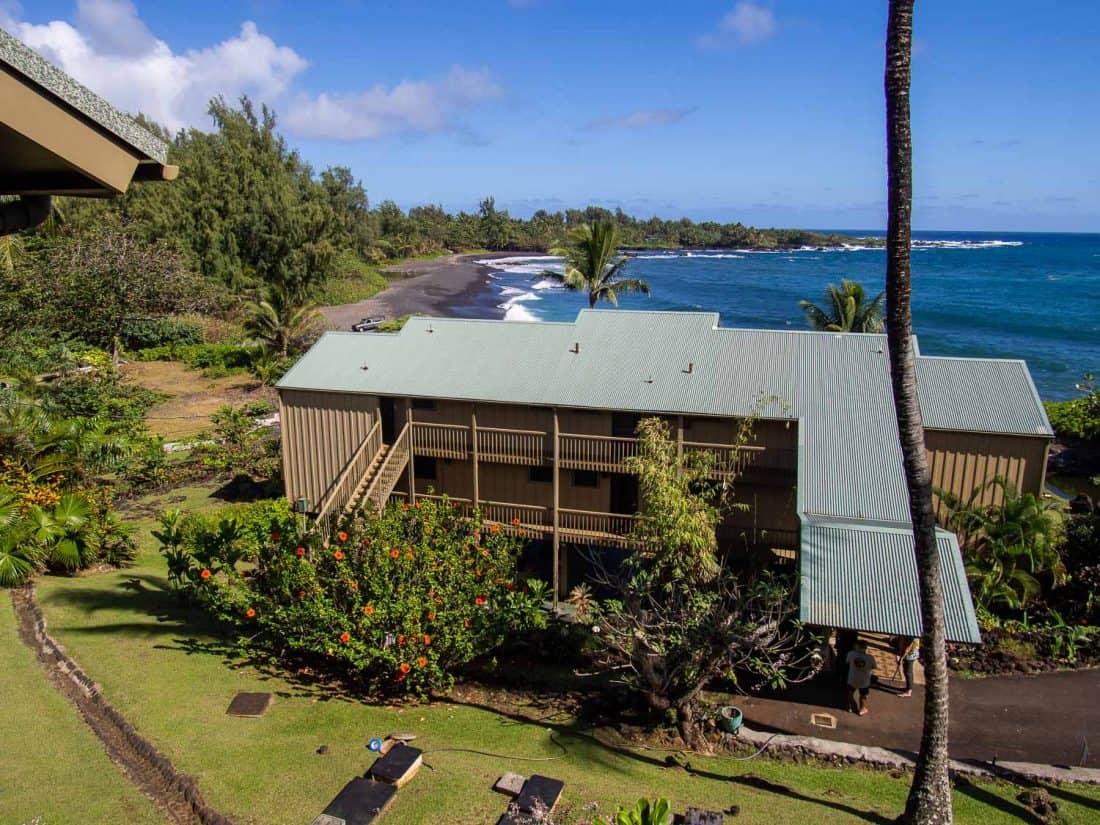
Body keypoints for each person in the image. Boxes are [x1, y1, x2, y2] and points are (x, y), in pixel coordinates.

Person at [845, 639, 877, 715]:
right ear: (865, 648)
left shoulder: (851, 654)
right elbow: (874, 667)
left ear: (856, 647)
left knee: (850, 693)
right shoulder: (870, 658)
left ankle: (849, 707)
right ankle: (862, 709)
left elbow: (847, 662)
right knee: (863, 695)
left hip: (852, 678)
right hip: (864, 680)